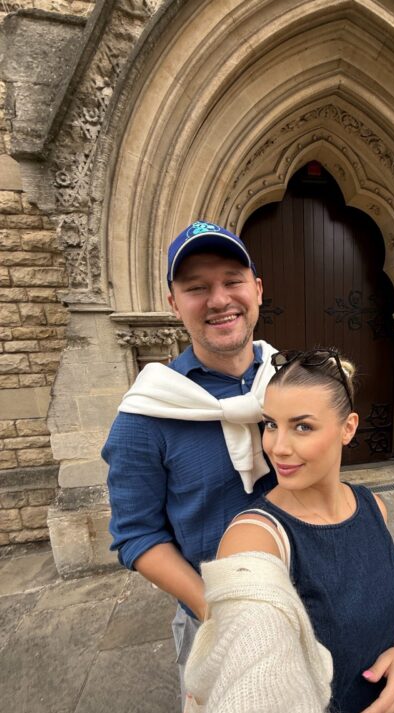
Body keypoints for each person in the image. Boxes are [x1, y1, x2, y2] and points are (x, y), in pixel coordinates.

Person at [181, 349, 394, 713]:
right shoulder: (254, 539)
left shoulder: (375, 509)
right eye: (271, 424)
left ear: (347, 429)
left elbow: (381, 610)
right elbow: (250, 689)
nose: (277, 446)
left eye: (302, 426)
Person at [101, 221, 278, 686]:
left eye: (232, 281)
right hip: (216, 617)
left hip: (310, 596)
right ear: (173, 304)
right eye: (197, 287)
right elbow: (137, 536)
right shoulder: (146, 414)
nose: (219, 300)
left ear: (257, 290)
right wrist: (214, 612)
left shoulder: (291, 383)